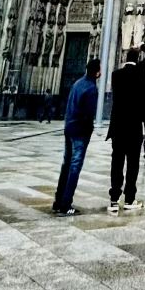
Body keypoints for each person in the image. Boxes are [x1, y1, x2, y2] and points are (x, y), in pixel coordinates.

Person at [106, 41, 145, 214]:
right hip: (134, 126)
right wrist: (142, 46)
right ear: (138, 58)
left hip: (118, 126)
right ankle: (129, 199)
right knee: (133, 164)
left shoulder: (115, 75)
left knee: (117, 163)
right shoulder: (140, 71)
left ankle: (113, 199)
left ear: (124, 58)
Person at [53, 57, 100, 216]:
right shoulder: (91, 88)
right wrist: (89, 130)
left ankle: (58, 201)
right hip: (80, 131)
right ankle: (66, 205)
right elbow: (89, 114)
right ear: (97, 72)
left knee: (66, 164)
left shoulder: (77, 83)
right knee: (74, 167)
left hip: (69, 127)